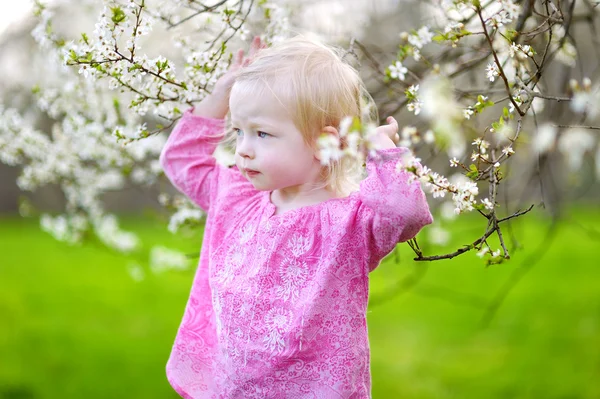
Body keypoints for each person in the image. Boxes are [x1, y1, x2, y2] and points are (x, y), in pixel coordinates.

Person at [159, 35, 433, 398]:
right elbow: (181, 160)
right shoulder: (237, 198)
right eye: (239, 132)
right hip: (231, 388)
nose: (242, 149)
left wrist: (383, 153)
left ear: (324, 142)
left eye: (261, 134)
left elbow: (406, 211)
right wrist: (222, 94)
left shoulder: (351, 223)